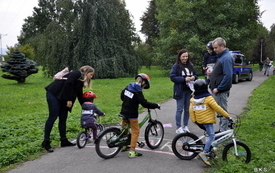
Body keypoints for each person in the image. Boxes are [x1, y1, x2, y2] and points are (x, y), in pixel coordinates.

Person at [42, 65, 94, 152]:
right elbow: (68, 84)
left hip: (63, 97)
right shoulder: (76, 73)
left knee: (63, 118)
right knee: (53, 116)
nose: (91, 77)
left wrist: (86, 107)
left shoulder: (80, 81)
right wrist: (69, 99)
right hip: (54, 94)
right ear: (86, 73)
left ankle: (64, 140)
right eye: (91, 74)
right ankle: (46, 142)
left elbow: (79, 95)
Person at [189, 79, 231, 166]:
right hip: (208, 121)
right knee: (212, 135)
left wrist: (194, 120)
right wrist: (227, 115)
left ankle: (210, 152)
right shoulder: (208, 98)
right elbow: (217, 108)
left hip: (199, 121)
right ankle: (204, 152)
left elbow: (191, 110)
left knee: (210, 135)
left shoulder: (193, 99)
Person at [120, 73, 160, 158]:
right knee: (136, 131)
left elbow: (122, 95)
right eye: (145, 85)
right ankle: (132, 151)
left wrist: (128, 101)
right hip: (132, 114)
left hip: (124, 111)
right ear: (143, 82)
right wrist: (156, 105)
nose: (144, 87)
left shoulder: (129, 86)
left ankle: (124, 144)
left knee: (125, 129)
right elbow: (144, 103)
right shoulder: (137, 91)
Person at [170, 49, 198, 134]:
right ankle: (178, 127)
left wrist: (193, 77)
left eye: (186, 56)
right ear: (179, 57)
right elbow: (172, 77)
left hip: (189, 91)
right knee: (179, 109)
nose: (185, 58)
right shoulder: (176, 66)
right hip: (180, 90)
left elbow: (196, 74)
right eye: (183, 56)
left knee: (187, 109)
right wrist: (184, 79)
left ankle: (185, 126)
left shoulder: (191, 65)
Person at [208, 37, 233, 132]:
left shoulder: (226, 58)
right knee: (219, 111)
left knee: (222, 111)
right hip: (217, 90)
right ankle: (222, 129)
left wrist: (218, 88)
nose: (214, 50)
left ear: (222, 46)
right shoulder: (222, 56)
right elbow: (222, 72)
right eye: (213, 48)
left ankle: (224, 132)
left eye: (216, 47)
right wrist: (212, 73)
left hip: (221, 91)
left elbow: (228, 76)